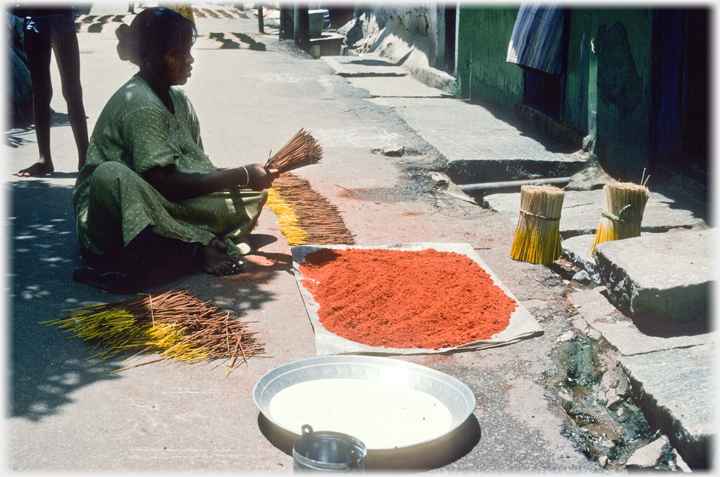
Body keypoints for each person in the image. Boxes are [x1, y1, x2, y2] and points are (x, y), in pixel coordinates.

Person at [72, 7, 278, 293]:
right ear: (148, 58)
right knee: (111, 174)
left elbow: (197, 169)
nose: (189, 61)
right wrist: (239, 174)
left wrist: (243, 176)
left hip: (155, 198)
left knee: (249, 195)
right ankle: (189, 254)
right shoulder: (140, 104)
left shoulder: (179, 100)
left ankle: (181, 241)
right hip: (111, 216)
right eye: (177, 55)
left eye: (188, 52)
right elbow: (165, 184)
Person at [12, 5, 89, 176]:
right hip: (34, 17)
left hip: (61, 14)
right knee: (41, 92)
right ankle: (44, 159)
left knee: (72, 89)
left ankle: (85, 157)